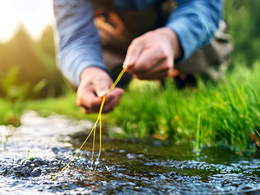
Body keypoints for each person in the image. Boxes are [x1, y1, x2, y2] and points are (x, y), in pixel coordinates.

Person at [53, 0, 233, 114]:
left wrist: (173, 39)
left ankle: (186, 80)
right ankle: (104, 82)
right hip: (111, 35)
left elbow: (203, 6)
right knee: (82, 74)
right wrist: (89, 70)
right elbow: (75, 36)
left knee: (206, 49)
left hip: (174, 20)